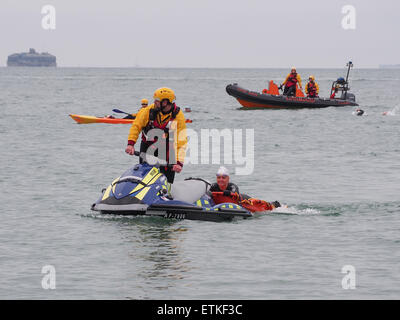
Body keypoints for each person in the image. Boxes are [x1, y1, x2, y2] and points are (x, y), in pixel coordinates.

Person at [125, 87, 187, 184]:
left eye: (157, 101)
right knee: (144, 178)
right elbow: (136, 126)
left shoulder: (178, 116)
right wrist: (130, 144)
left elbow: (182, 141)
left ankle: (166, 194)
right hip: (148, 147)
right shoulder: (148, 110)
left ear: (165, 102)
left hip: (168, 150)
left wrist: (179, 163)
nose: (154, 102)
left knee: (167, 182)